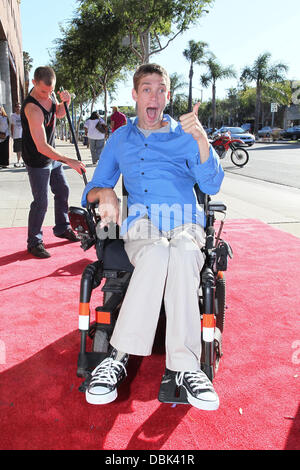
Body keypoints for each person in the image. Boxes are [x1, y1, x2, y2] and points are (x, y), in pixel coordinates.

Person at [81, 64, 224, 410]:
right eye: (147, 89)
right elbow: (91, 190)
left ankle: (185, 367)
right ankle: (118, 358)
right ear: (135, 95)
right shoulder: (119, 140)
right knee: (159, 252)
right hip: (143, 224)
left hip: (185, 223)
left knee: (184, 253)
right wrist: (107, 194)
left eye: (161, 90)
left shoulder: (185, 136)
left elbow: (211, 185)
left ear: (168, 97)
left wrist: (203, 141)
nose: (154, 96)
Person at [21, 66, 86, 259]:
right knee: (41, 202)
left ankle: (62, 228)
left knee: (62, 190)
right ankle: (34, 242)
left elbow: (58, 113)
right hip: (38, 159)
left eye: (51, 91)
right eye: (43, 91)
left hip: (52, 156)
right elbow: (41, 146)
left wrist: (66, 102)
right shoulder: (32, 108)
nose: (47, 95)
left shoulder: (50, 95)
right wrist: (68, 160)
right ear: (34, 83)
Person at [11, 102, 24, 167]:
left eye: (19, 107)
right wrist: (12, 134)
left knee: (24, 149)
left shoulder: (23, 115)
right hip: (16, 135)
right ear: (15, 108)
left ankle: (24, 162)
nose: (18, 108)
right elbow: (12, 126)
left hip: (23, 134)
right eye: (17, 107)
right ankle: (18, 161)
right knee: (18, 149)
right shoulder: (13, 115)